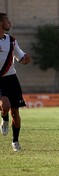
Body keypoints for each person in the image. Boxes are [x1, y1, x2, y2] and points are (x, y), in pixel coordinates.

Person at [0, 12, 31, 151]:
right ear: (0, 23)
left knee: (15, 112)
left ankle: (15, 141)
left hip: (11, 79)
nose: (9, 22)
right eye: (7, 20)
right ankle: (4, 118)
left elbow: (20, 56)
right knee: (5, 106)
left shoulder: (11, 40)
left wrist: (26, 59)